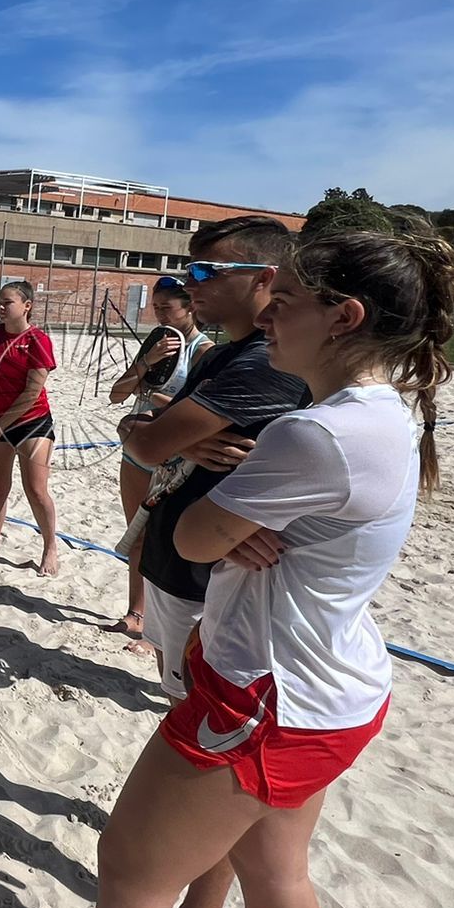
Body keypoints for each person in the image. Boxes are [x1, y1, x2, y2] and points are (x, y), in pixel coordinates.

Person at [0, 225, 454, 908]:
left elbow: (183, 536)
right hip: (336, 688)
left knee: (133, 874)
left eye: (293, 299)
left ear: (343, 317)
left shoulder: (319, 433)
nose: (274, 313)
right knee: (278, 876)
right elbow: (209, 516)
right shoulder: (384, 415)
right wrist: (228, 517)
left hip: (266, 695)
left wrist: (216, 520)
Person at [122, 218, 310, 702]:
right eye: (191, 271)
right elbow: (137, 428)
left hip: (214, 567)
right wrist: (175, 441)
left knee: (198, 710)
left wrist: (158, 438)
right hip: (175, 551)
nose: (191, 283)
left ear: (264, 276)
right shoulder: (219, 357)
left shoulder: (267, 361)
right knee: (174, 694)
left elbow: (145, 442)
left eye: (208, 271)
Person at [103, 277, 208, 635]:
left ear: (190, 306)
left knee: (167, 544)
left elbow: (196, 409)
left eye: (167, 307)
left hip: (176, 460)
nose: (159, 313)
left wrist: (151, 396)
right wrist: (145, 364)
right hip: (137, 452)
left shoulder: (203, 351)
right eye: (156, 306)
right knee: (136, 535)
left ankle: (159, 629)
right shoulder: (157, 344)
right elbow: (118, 394)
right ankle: (136, 613)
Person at [0, 282, 61, 574]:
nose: (1, 307)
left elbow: (32, 392)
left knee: (36, 489)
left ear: (26, 306)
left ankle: (50, 547)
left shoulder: (38, 340)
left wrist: (0, 426)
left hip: (33, 421)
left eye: (8, 303)